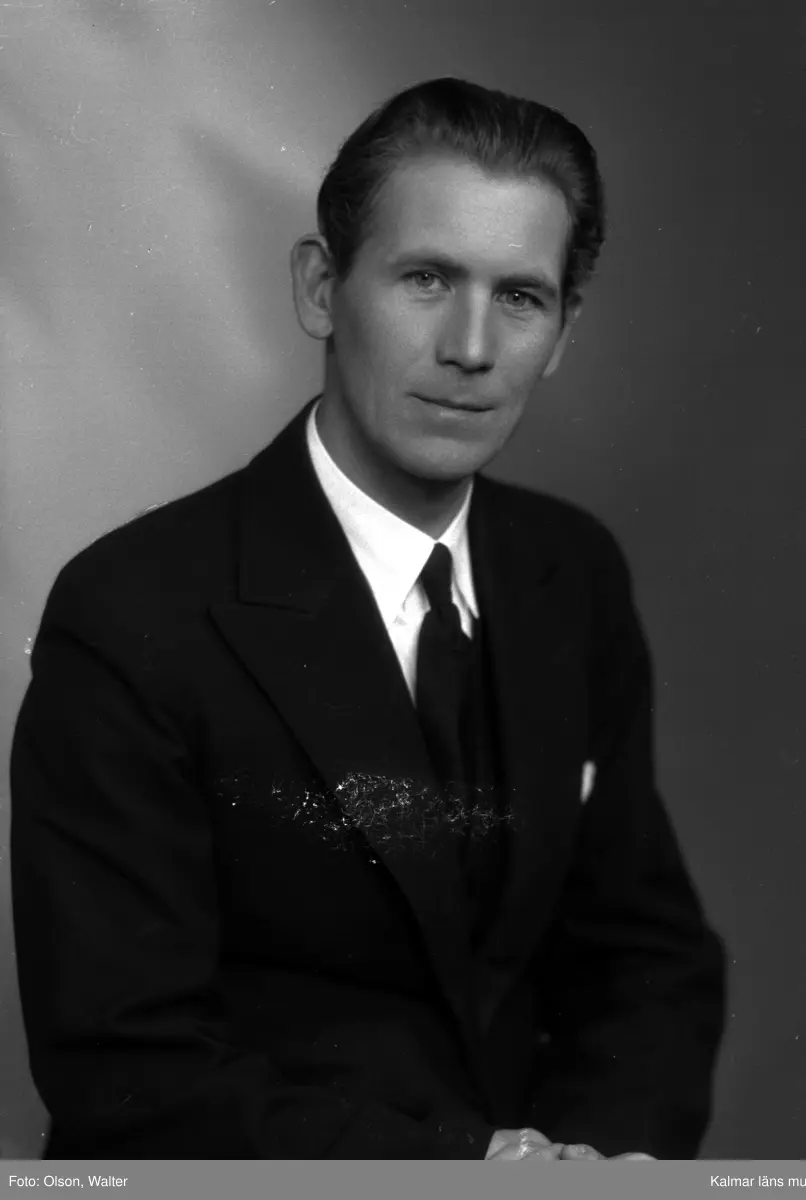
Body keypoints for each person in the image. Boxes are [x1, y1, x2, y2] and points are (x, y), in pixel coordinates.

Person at [10, 76, 725, 1162]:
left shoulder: (570, 573)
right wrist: (468, 1177)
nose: (471, 347)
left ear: (563, 331)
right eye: (426, 278)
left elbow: (647, 960)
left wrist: (597, 1169)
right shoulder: (133, 610)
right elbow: (127, 1065)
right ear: (320, 287)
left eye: (520, 297)